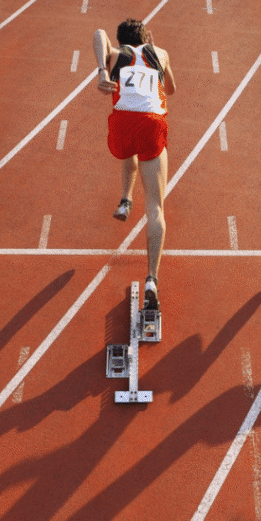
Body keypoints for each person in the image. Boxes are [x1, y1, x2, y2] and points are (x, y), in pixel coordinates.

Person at [93, 19, 175, 310]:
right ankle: (152, 277)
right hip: (151, 123)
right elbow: (172, 89)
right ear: (146, 38)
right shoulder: (160, 53)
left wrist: (103, 71)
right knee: (155, 207)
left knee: (129, 149)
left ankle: (125, 200)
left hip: (123, 124)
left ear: (121, 41)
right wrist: (155, 52)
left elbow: (98, 33)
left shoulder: (116, 55)